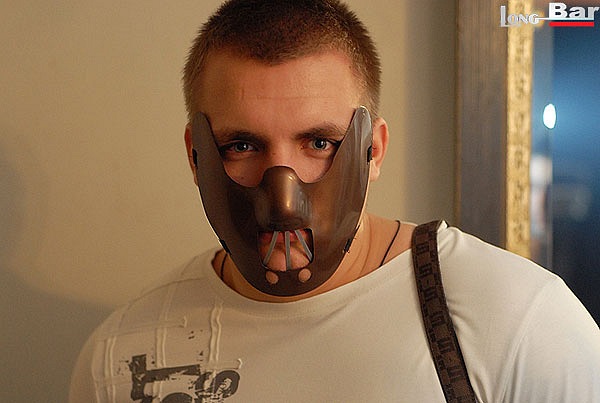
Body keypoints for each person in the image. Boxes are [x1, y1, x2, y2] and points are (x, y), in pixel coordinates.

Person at [69, 0, 600, 402]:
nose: (283, 197)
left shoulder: (519, 323)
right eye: (242, 145)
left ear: (373, 151)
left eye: (319, 143)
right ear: (195, 156)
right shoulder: (124, 355)